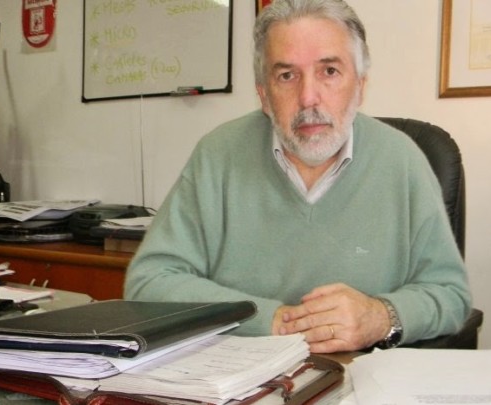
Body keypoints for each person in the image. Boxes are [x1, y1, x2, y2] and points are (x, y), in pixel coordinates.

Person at [124, 0, 471, 354]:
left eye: (329, 71)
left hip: (364, 374)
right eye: (287, 76)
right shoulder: (217, 156)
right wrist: (272, 321)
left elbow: (451, 295)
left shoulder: (403, 160)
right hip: (241, 373)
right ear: (264, 95)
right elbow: (149, 282)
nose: (308, 98)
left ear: (360, 86)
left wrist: (381, 317)